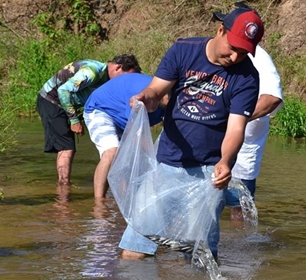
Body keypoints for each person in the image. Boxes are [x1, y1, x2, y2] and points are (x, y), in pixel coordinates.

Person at [120, 6, 265, 260]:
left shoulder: (247, 77)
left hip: (209, 173)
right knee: (135, 249)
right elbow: (156, 91)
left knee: (201, 256)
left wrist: (225, 161)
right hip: (166, 164)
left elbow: (236, 128)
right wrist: (146, 98)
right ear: (221, 30)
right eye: (232, 48)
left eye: (243, 53)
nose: (234, 58)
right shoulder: (184, 50)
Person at [214, 3, 284, 222]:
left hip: (243, 146)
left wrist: (239, 116)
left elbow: (272, 98)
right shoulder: (222, 54)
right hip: (218, 137)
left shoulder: (257, 57)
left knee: (239, 206)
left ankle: (239, 252)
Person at [36, 54, 141, 186]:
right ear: (118, 67)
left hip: (68, 104)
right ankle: (63, 188)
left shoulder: (107, 79)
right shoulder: (92, 71)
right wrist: (74, 120)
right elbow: (63, 91)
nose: (126, 81)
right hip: (51, 100)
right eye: (127, 77)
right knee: (67, 147)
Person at [83, 73, 164, 199]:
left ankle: (123, 202)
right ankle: (99, 203)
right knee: (112, 152)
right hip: (101, 109)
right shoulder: (141, 94)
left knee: (129, 160)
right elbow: (134, 130)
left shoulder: (175, 103)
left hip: (124, 119)